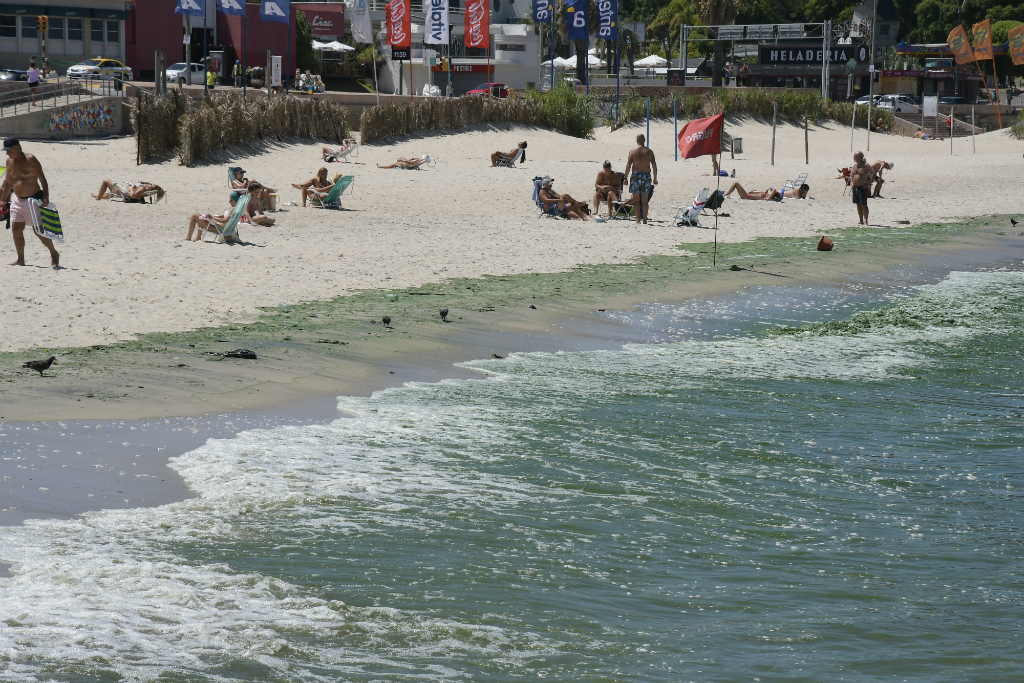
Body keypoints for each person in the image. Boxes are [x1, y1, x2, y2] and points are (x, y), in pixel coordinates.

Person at [1, 138, 58, 268]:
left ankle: (53, 253)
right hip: (17, 200)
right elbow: (9, 182)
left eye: (9, 150)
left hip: (33, 199)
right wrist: (3, 200)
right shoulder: (9, 161)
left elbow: (42, 179)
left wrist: (46, 197)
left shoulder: (30, 159)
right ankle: (20, 259)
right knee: (16, 228)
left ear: (17, 148)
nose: (7, 153)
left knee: (38, 231)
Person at [623, 133, 658, 224]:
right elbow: (654, 165)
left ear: (637, 141)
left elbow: (628, 166)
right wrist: (655, 178)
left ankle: (638, 220)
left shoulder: (632, 151)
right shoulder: (649, 151)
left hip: (636, 175)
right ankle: (645, 220)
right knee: (645, 201)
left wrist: (625, 177)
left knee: (637, 200)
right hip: (646, 175)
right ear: (644, 140)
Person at [92, 179, 165, 203]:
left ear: (150, 189)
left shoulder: (142, 189)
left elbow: (133, 195)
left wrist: (132, 187)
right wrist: (144, 183)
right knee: (111, 193)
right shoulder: (144, 187)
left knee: (105, 181)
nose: (150, 184)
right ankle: (99, 196)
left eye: (151, 185)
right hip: (122, 191)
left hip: (120, 191)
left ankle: (98, 197)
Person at [850, 151, 871, 225]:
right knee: (858, 204)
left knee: (863, 204)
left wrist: (869, 183)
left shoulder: (866, 165)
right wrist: (851, 183)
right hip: (855, 187)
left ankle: (866, 220)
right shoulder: (855, 165)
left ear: (860, 157)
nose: (854, 158)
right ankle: (861, 220)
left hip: (863, 187)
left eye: (855, 156)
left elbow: (873, 173)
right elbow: (852, 174)